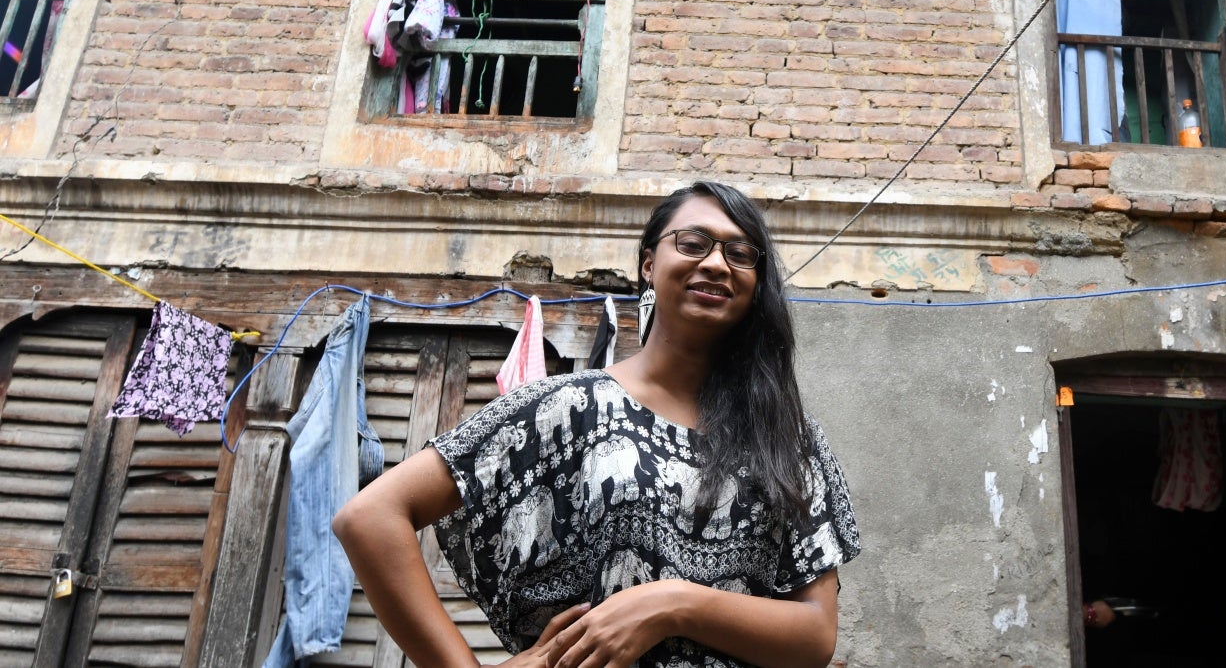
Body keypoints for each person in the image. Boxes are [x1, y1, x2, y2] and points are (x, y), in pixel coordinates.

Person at [333, 181, 860, 668]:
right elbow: (370, 518)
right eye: (694, 243)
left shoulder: (785, 436)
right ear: (649, 265)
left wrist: (671, 604)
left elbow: (815, 635)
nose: (717, 263)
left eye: (740, 253)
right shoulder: (567, 409)